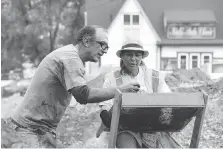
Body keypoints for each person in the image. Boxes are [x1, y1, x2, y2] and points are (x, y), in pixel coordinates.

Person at [2, 25, 140, 148]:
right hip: (29, 129)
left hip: (42, 130)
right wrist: (120, 90)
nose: (105, 51)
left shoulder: (72, 57)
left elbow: (84, 88)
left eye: (107, 47)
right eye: (102, 44)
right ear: (86, 41)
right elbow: (83, 95)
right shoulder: (70, 59)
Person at [97, 41, 174, 148]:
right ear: (122, 57)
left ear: (142, 57)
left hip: (151, 128)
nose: (133, 59)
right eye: (129, 55)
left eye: (137, 55)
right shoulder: (111, 78)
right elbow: (104, 109)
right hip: (124, 129)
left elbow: (170, 100)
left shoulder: (154, 76)